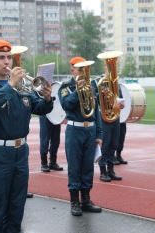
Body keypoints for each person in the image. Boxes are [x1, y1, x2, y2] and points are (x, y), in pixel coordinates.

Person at [0, 40, 53, 233]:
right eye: (1, 57)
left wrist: (48, 98)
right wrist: (10, 85)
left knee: (17, 211)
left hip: (20, 153)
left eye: (9, 57)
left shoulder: (23, 85)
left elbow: (39, 108)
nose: (7, 61)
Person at [58, 57, 102, 216]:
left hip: (90, 130)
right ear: (72, 70)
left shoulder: (92, 86)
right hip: (74, 130)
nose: (83, 72)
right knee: (75, 166)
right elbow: (66, 104)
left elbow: (96, 111)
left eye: (85, 69)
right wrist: (78, 90)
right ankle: (74, 201)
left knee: (88, 167)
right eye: (79, 69)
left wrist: (99, 133)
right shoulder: (66, 87)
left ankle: (86, 199)